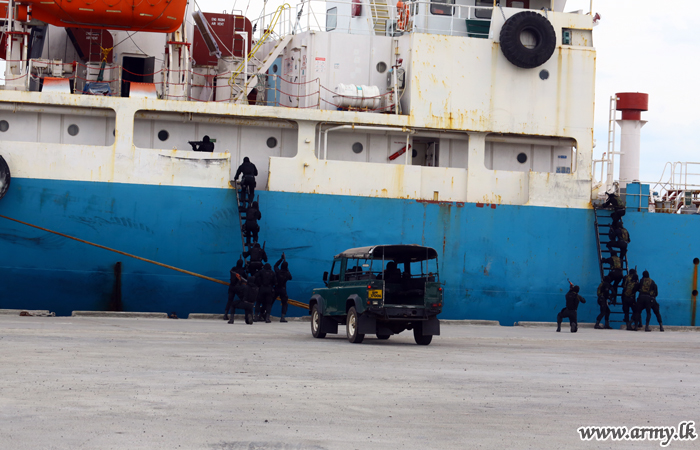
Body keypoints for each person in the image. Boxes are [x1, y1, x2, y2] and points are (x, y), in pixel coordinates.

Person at [225, 260, 254, 325]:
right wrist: (246, 268)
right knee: (244, 301)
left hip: (231, 287)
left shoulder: (233, 269)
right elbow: (245, 278)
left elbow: (236, 269)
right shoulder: (242, 271)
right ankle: (248, 316)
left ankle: (226, 314)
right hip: (239, 288)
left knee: (230, 301)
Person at [274, 253, 293, 323]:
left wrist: (281, 259)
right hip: (283, 289)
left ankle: (265, 315)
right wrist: (287, 270)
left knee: (270, 302)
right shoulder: (287, 273)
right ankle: (282, 317)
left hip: (276, 288)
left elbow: (275, 266)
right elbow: (290, 278)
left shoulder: (278, 272)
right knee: (284, 303)